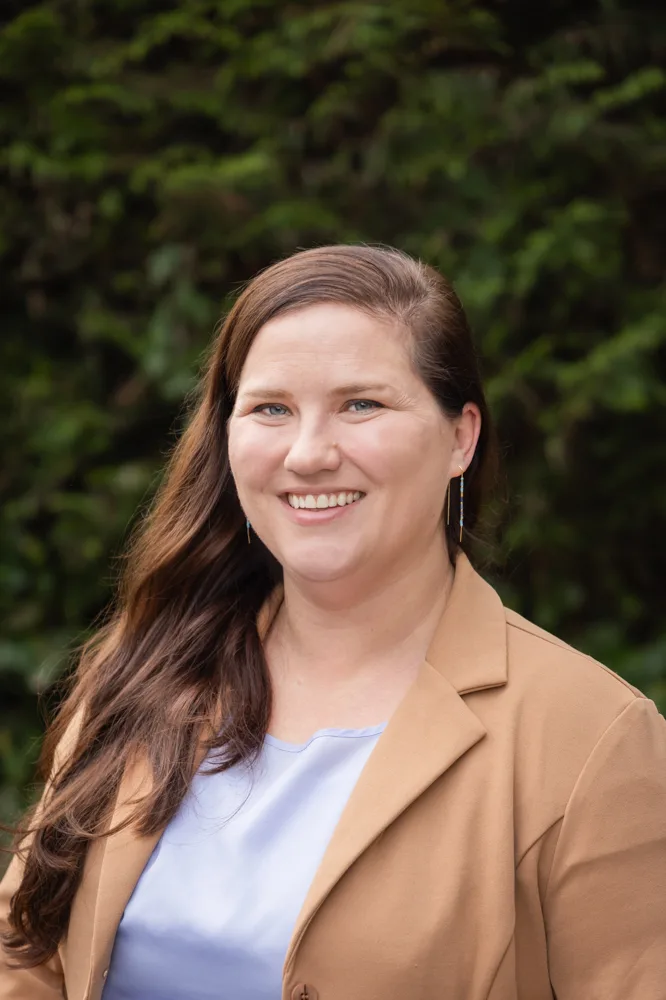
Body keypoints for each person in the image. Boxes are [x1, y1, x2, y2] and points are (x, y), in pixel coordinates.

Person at [1, 245, 665, 1000]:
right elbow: (28, 954)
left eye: (361, 405)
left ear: (460, 438)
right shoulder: (148, 668)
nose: (309, 454)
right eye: (271, 409)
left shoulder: (592, 737)